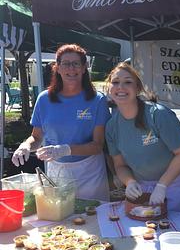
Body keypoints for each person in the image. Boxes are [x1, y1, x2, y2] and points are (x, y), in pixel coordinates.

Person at [11, 44, 111, 201]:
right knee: (61, 220)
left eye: (76, 63)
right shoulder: (44, 99)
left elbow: (98, 145)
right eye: (65, 63)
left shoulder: (97, 100)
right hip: (56, 172)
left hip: (90, 173)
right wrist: (25, 146)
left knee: (93, 220)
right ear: (57, 67)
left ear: (84, 68)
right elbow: (36, 137)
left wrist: (65, 149)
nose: (71, 69)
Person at [105, 62, 180, 212]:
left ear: (137, 88)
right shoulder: (112, 127)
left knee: (173, 230)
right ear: (109, 88)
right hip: (142, 189)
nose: (120, 87)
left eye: (128, 82)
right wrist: (130, 182)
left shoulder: (158, 114)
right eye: (115, 82)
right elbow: (120, 165)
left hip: (173, 185)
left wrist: (162, 185)